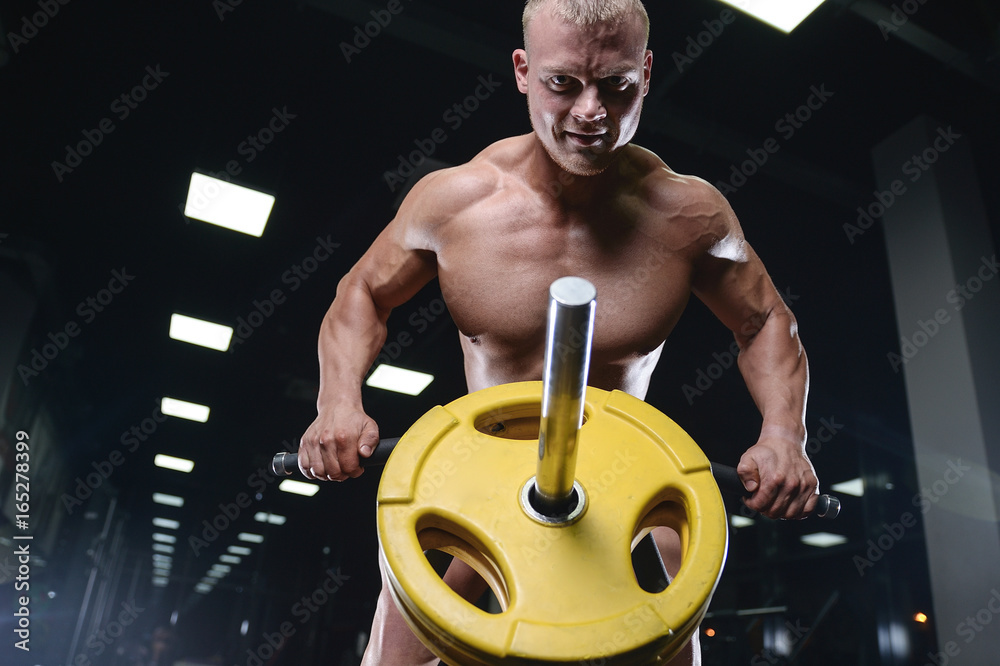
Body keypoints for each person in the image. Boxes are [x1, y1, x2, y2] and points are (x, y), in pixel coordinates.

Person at [297, 0, 820, 663]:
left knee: (671, 642)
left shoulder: (689, 214)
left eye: (617, 85)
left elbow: (766, 319)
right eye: (563, 83)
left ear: (648, 73)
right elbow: (362, 294)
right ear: (523, 71)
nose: (590, 112)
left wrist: (784, 436)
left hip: (622, 483)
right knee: (397, 655)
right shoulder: (456, 203)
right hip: (480, 475)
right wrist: (337, 403)